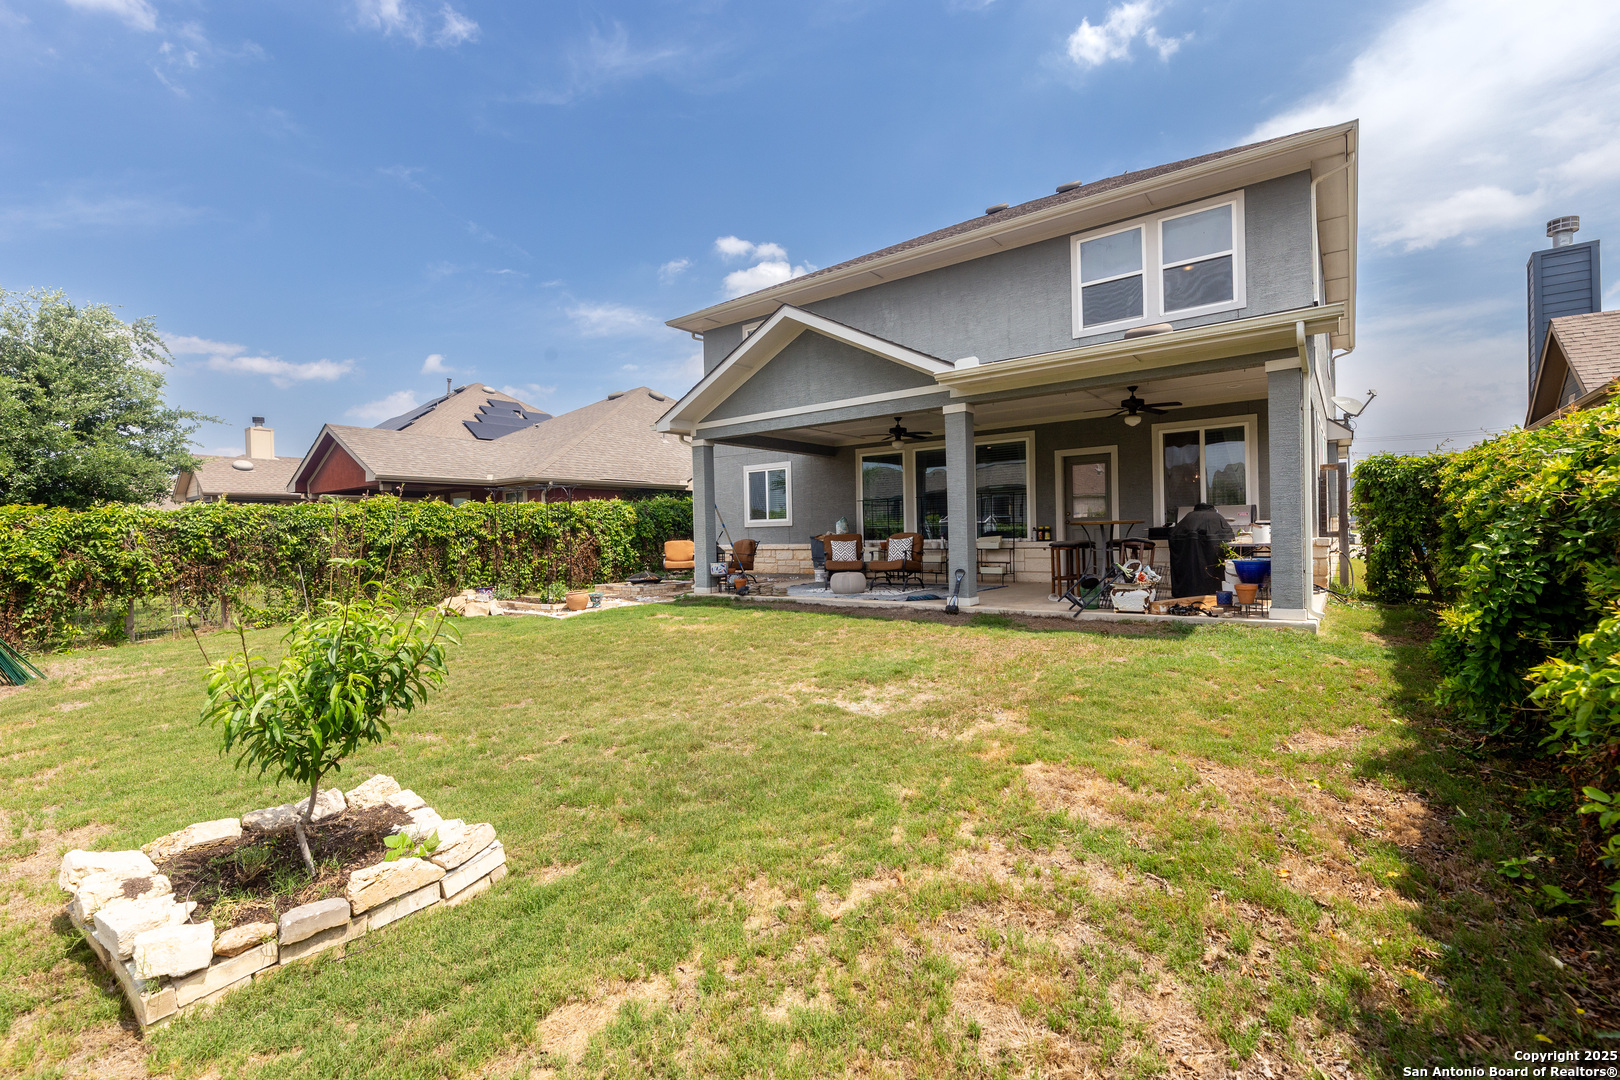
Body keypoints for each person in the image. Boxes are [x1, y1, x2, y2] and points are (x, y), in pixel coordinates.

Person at [1168, 503, 1234, 595]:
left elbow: (1173, 534)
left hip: (1187, 590)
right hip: (1215, 589)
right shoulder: (1217, 518)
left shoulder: (1188, 518)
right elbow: (1229, 541)